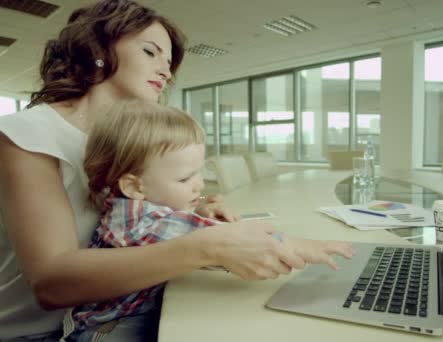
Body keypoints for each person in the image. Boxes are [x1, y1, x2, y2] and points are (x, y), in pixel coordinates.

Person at [0, 0, 354, 340]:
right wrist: (206, 246)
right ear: (98, 48)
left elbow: (115, 217)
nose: (166, 71)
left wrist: (180, 207)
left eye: (169, 61)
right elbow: (52, 284)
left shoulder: (121, 141)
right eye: (151, 52)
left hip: (86, 319)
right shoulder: (27, 135)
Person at [61, 100, 346, 341]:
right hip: (110, 331)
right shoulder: (143, 222)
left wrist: (195, 212)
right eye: (185, 178)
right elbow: (235, 243)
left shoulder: (130, 206)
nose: (199, 186)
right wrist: (303, 245)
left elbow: (173, 225)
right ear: (135, 187)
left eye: (199, 172)